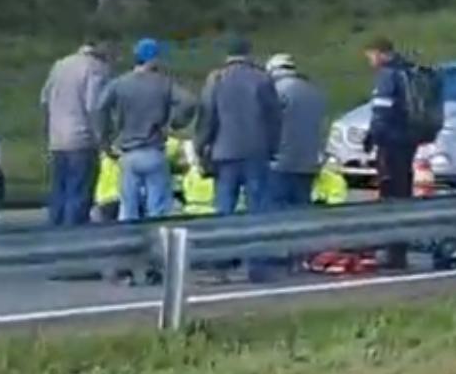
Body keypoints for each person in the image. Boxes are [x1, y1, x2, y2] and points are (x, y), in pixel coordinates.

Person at [194, 37, 282, 281]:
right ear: (249, 52)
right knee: (258, 209)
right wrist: (273, 147)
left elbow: (207, 115)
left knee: (224, 210)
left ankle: (220, 266)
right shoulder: (263, 78)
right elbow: (274, 117)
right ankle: (258, 266)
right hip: (257, 151)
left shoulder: (217, 78)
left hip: (225, 152)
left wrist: (201, 147)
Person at [95, 38, 195, 221]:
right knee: (157, 210)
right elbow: (189, 102)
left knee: (128, 209)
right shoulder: (163, 83)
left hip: (128, 154)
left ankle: (128, 245)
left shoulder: (120, 84)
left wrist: (105, 140)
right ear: (153, 59)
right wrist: (175, 123)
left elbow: (99, 107)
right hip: (154, 151)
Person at [41, 41, 112, 226]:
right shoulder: (96, 68)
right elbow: (94, 106)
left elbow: (45, 100)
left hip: (57, 139)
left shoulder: (60, 65)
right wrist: (102, 139)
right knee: (79, 192)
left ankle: (54, 233)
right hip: (82, 139)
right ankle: (74, 238)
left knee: (59, 191)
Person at [363, 36, 416, 269]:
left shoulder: (387, 75)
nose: (370, 61)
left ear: (380, 53)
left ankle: (394, 253)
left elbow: (382, 111)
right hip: (408, 140)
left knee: (390, 195)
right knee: (404, 192)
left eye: (370, 55)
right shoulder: (408, 71)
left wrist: (372, 136)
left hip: (391, 143)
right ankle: (400, 251)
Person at [265, 53, 327, 209]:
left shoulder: (275, 91)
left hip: (281, 162)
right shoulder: (312, 90)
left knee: (278, 210)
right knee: (303, 207)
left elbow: (267, 123)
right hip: (308, 161)